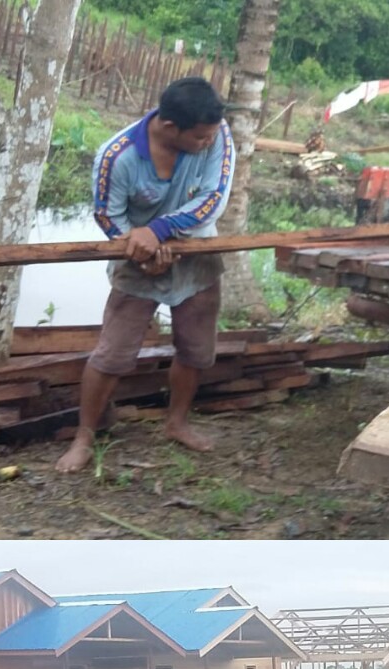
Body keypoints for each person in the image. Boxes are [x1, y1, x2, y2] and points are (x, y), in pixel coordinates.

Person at [56, 77, 236, 473]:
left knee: (196, 348)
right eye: (200, 138)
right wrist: (139, 251)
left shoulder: (216, 132)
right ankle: (84, 435)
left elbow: (213, 198)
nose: (208, 142)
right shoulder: (117, 157)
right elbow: (108, 214)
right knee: (113, 352)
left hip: (196, 253)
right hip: (133, 259)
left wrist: (160, 230)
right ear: (171, 127)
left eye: (210, 136)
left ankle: (176, 423)